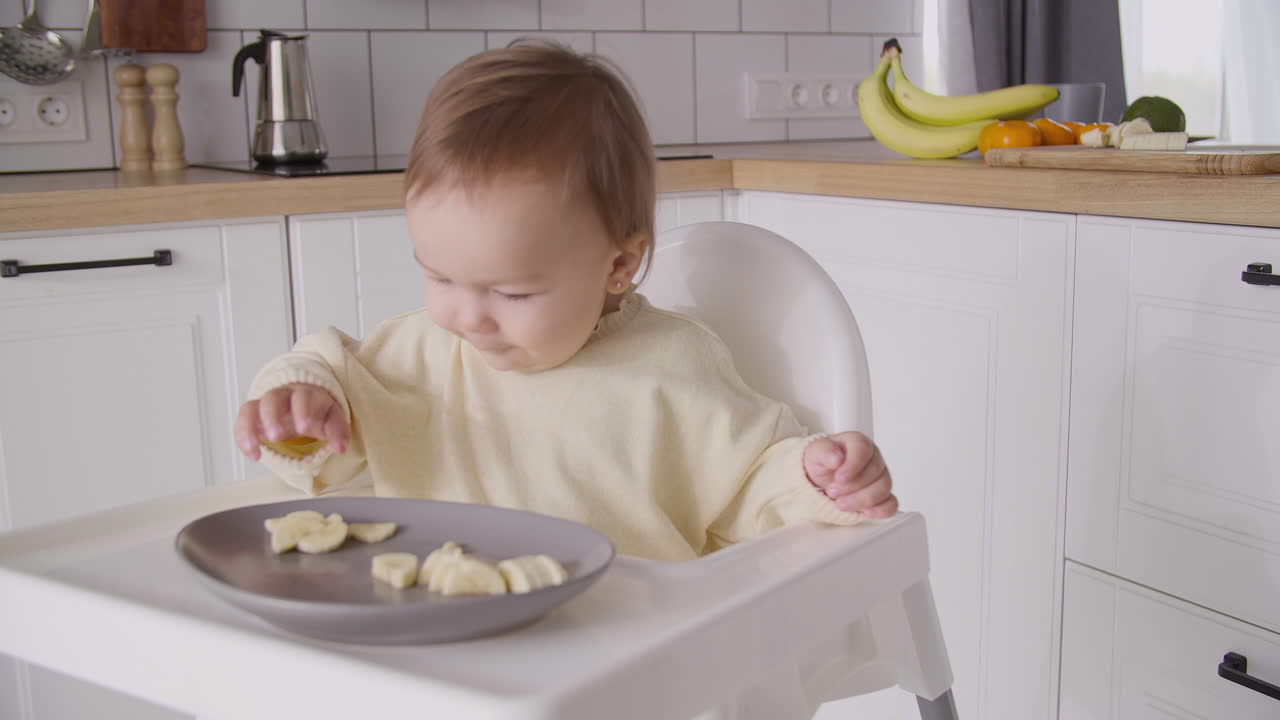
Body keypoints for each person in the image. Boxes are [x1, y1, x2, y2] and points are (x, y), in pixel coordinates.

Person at [234, 40, 898, 563]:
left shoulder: (672, 367)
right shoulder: (419, 355)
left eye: (512, 292)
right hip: (446, 657)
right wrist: (297, 406)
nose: (466, 317)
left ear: (619, 264)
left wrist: (815, 480)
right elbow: (328, 396)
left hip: (628, 665)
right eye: (439, 277)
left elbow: (749, 486)